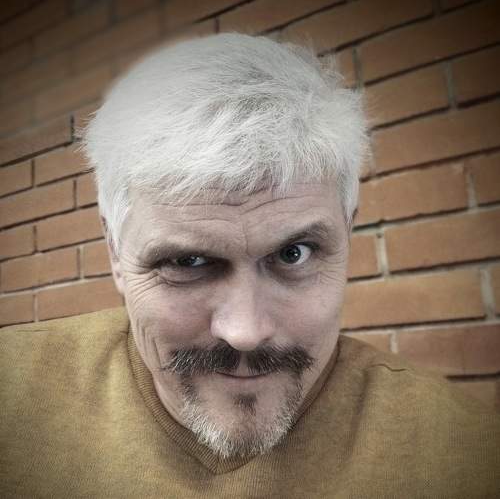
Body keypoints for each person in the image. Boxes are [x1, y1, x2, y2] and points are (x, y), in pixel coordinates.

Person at [1, 33, 499, 498]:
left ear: (347, 234)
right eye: (187, 261)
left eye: (293, 254)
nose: (245, 332)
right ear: (115, 251)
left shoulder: (470, 459)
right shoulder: (12, 396)